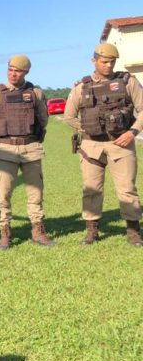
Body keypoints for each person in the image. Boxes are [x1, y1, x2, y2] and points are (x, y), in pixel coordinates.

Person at [64, 43, 143, 246]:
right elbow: (69, 116)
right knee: (91, 189)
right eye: (104, 61)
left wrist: (132, 132)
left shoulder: (128, 82)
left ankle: (133, 231)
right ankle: (92, 231)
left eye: (112, 62)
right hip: (91, 147)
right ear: (94, 61)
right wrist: (89, 130)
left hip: (121, 144)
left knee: (127, 188)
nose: (109, 65)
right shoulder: (81, 87)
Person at [0, 55, 55, 249]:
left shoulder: (35, 92)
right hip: (6, 149)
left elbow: (43, 117)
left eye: (18, 70)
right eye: (11, 69)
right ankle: (5, 231)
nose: (13, 73)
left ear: (26, 72)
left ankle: (38, 230)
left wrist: (33, 136)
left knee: (35, 192)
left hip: (31, 148)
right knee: (3, 193)